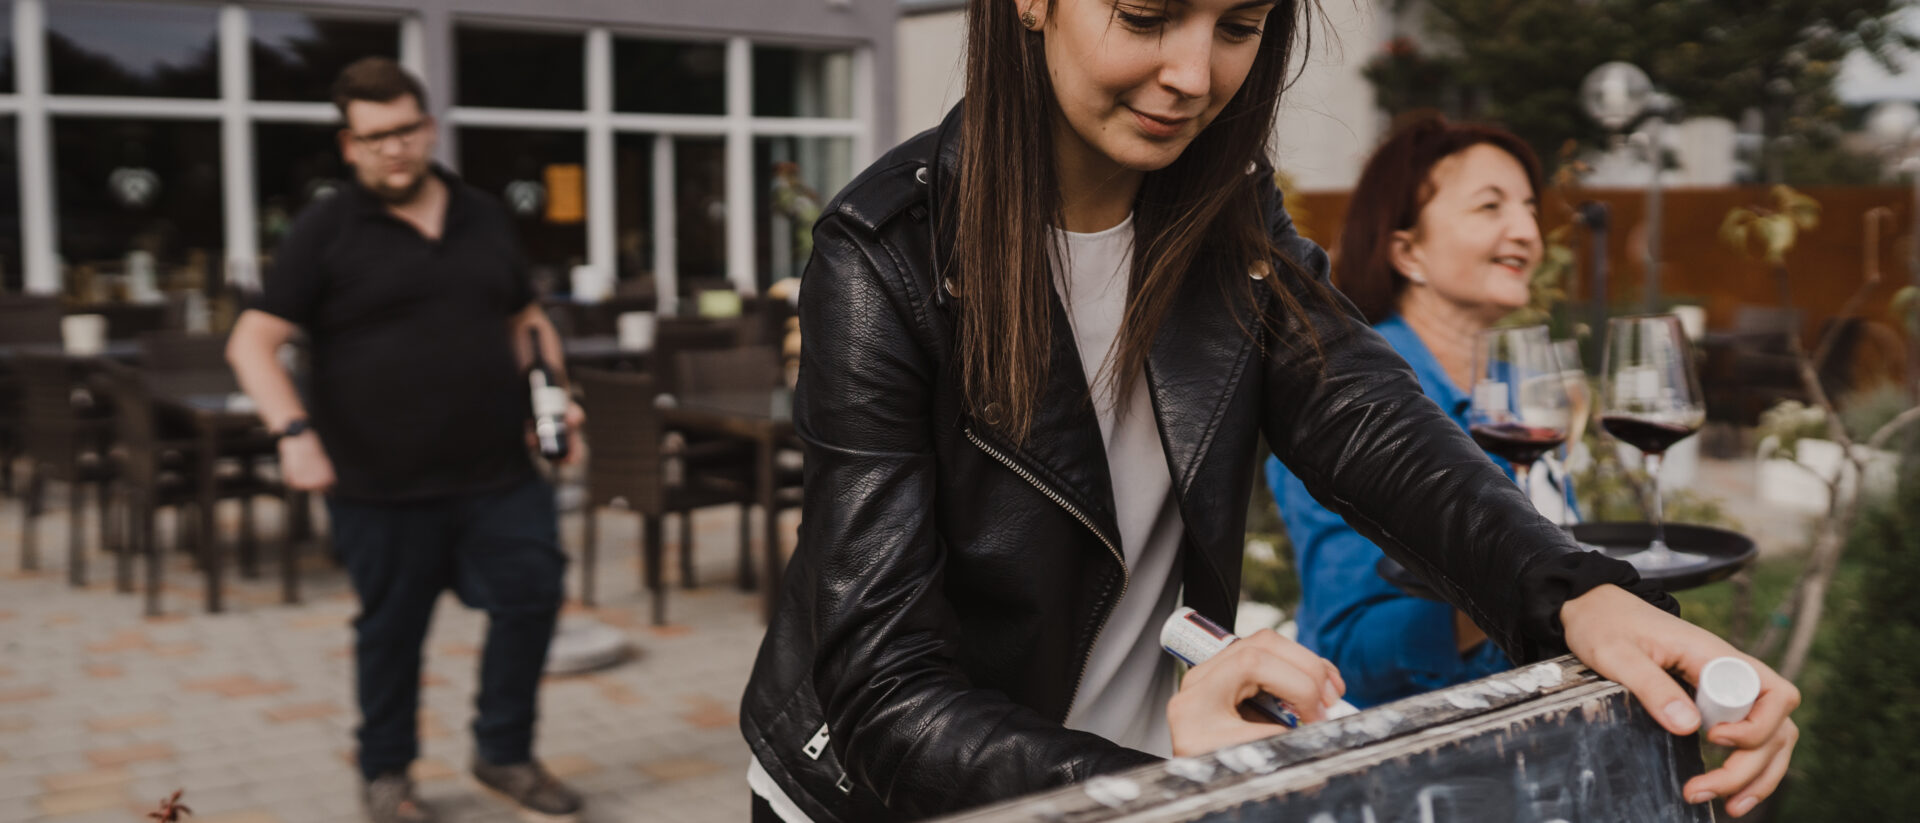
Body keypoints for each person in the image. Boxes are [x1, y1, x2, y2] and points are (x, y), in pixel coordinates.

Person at [738, 2, 1799, 821]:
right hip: (915, 792)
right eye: (1147, 16)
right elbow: (886, 693)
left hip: (1158, 772)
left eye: (1239, 25)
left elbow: (1370, 419)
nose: (1193, 75)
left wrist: (1580, 596)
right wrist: (1167, 787)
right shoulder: (884, 254)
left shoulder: (1227, 215)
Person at [226, 58, 586, 823]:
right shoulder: (325, 230)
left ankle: (504, 750)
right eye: (375, 136)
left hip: (498, 470)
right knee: (392, 631)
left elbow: (524, 321)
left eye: (406, 130)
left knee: (533, 594)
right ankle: (386, 773)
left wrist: (552, 398)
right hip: (378, 482)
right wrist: (293, 431)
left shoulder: (482, 213)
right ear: (350, 145)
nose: (394, 148)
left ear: (429, 128)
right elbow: (252, 343)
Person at [1266, 115, 1563, 708]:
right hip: (1407, 762)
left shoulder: (1516, 387)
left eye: (1530, 208)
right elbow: (1349, 655)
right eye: (1490, 206)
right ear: (1408, 251)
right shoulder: (1340, 397)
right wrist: (1524, 585)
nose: (1528, 231)